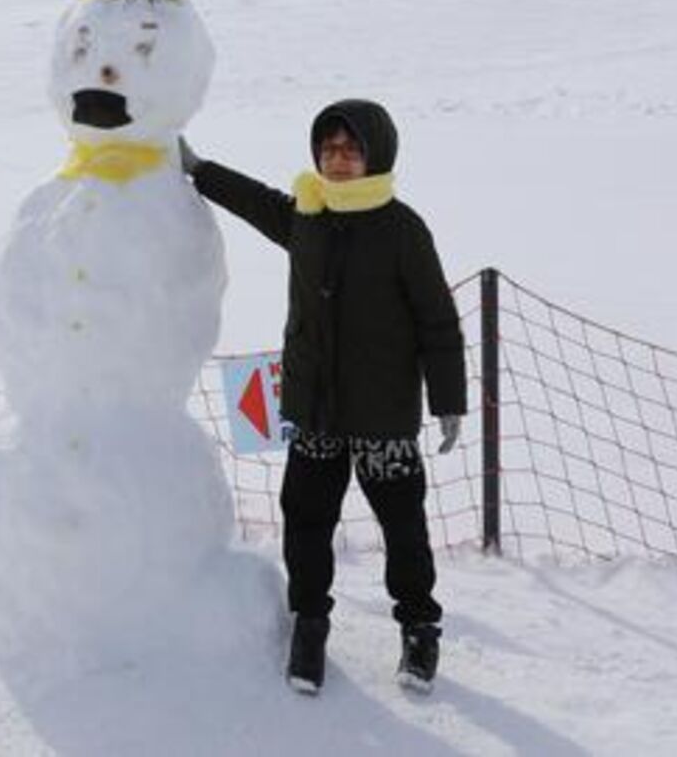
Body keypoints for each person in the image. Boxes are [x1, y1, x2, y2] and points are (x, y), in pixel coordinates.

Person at [180, 100, 467, 696]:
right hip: (317, 413)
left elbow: (437, 321)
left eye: (350, 149)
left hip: (384, 415)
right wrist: (200, 170)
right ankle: (310, 624)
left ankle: (419, 628)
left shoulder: (402, 228)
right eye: (328, 148)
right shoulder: (307, 215)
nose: (337, 160)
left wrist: (448, 399)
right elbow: (259, 202)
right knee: (306, 522)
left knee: (403, 526)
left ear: (375, 156)